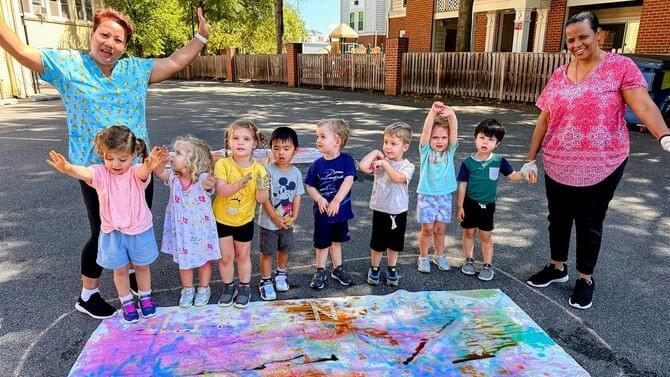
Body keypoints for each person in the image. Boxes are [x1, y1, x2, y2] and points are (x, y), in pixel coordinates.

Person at [0, 7, 210, 318]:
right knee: (103, 232)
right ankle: (88, 295)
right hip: (98, 173)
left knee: (138, 225)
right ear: (92, 34)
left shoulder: (134, 71)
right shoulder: (69, 66)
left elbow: (175, 61)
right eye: (104, 35)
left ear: (125, 46)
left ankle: (139, 283)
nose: (110, 43)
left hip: (139, 170)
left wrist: (201, 36)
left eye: (118, 39)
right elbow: (20, 50)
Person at [521, 11, 670, 309]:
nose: (576, 44)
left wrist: (664, 135)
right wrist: (530, 158)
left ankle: (585, 278)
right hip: (558, 160)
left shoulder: (620, 68)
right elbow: (544, 120)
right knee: (558, 218)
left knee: (589, 221)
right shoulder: (559, 75)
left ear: (598, 35)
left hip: (603, 163)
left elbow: (642, 103)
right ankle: (557, 267)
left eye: (583, 37)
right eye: (570, 40)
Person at [46, 126, 162, 323]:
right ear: (102, 155)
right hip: (113, 232)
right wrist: (68, 168)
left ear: (133, 154)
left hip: (139, 230)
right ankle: (126, 302)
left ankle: (145, 297)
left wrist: (150, 166)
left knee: (142, 267)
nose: (115, 164)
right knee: (120, 269)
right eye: (109, 158)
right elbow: (85, 173)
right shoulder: (100, 173)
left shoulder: (135, 172)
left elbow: (143, 171)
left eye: (122, 159)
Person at [455, 119, 534, 282]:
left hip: (488, 206)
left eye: (491, 139)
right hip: (470, 204)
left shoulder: (499, 160)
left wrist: (524, 173)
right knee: (469, 232)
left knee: (485, 235)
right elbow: (462, 185)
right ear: (475, 138)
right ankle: (468, 260)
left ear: (497, 144)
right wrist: (459, 206)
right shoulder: (467, 163)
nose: (485, 142)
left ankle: (487, 264)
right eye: (482, 137)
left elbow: (512, 176)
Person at [152, 136, 221, 308]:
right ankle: (188, 289)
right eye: (174, 152)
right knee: (185, 261)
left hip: (201, 230)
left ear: (192, 160)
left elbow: (209, 185)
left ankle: (204, 288)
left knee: (204, 260)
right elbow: (160, 173)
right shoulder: (173, 178)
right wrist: (160, 162)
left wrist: (210, 182)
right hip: (182, 230)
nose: (174, 155)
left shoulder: (202, 178)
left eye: (179, 153)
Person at [213, 119, 269, 309]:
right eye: (235, 138)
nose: (240, 142)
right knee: (226, 257)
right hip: (222, 219)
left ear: (254, 143)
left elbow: (261, 199)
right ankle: (228, 286)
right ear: (228, 141)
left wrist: (263, 187)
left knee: (243, 256)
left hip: (244, 220)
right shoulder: (222, 164)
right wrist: (239, 183)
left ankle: (244, 287)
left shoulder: (260, 170)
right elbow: (221, 190)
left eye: (246, 139)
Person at [358, 122, 415, 287]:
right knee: (378, 242)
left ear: (405, 147)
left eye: (393, 144)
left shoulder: (407, 166)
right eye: (386, 142)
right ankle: (374, 268)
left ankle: (392, 267)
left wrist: (384, 164)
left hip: (398, 211)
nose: (388, 147)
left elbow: (397, 178)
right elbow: (362, 167)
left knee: (394, 244)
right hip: (380, 209)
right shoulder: (380, 160)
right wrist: (376, 153)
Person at [304, 119, 357, 290]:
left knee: (336, 242)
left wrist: (336, 200)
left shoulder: (347, 161)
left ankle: (337, 268)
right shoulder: (317, 165)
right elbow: (310, 186)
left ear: (337, 141)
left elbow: (348, 180)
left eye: (323, 136)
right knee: (322, 244)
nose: (318, 140)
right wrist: (319, 198)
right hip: (323, 214)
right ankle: (320, 270)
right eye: (317, 136)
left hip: (340, 213)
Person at [257, 127, 305, 300]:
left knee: (284, 249)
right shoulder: (267, 171)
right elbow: (264, 199)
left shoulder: (296, 173)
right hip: (269, 223)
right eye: (276, 149)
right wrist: (275, 217)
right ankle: (266, 280)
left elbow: (298, 196)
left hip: (287, 222)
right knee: (268, 252)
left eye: (286, 149)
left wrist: (295, 216)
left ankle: (281, 273)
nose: (280, 153)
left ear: (295, 150)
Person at [416, 102, 459, 273]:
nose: (440, 141)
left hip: (444, 196)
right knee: (427, 229)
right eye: (436, 138)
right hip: (427, 195)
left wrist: (451, 114)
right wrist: (432, 112)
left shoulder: (450, 152)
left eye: (443, 137)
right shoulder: (425, 151)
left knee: (440, 229)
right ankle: (423, 257)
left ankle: (439, 255)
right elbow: (426, 131)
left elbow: (454, 131)